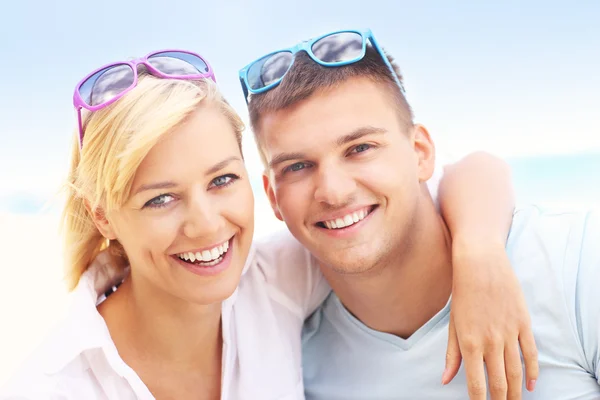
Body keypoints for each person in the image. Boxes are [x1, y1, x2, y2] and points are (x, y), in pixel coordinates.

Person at [3, 47, 531, 399]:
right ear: (103, 216)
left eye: (221, 181)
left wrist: (479, 254)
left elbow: (464, 175)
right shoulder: (52, 383)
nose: (206, 225)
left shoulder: (273, 281)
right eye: (161, 199)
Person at [240, 28, 600, 399]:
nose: (333, 191)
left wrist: (478, 252)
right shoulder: (294, 361)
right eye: (297, 166)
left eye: (360, 148)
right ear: (272, 196)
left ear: (421, 153)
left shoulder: (575, 269)